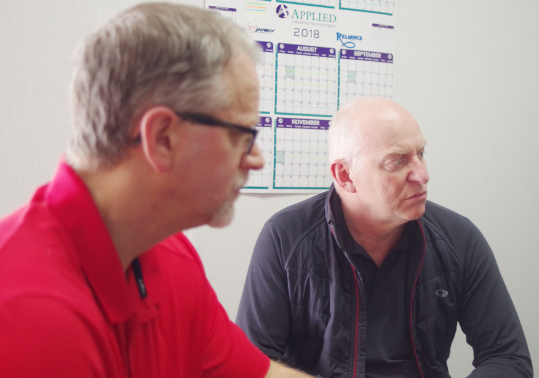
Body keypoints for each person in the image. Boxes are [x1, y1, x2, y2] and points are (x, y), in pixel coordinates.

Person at [0, 4, 312, 378]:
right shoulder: (27, 313)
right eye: (242, 136)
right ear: (162, 138)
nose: (257, 159)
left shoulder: (170, 254)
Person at [236, 97, 533, 378]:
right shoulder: (285, 238)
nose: (422, 174)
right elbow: (252, 364)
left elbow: (507, 357)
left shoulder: (458, 239)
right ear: (345, 176)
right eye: (397, 161)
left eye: (421, 154)